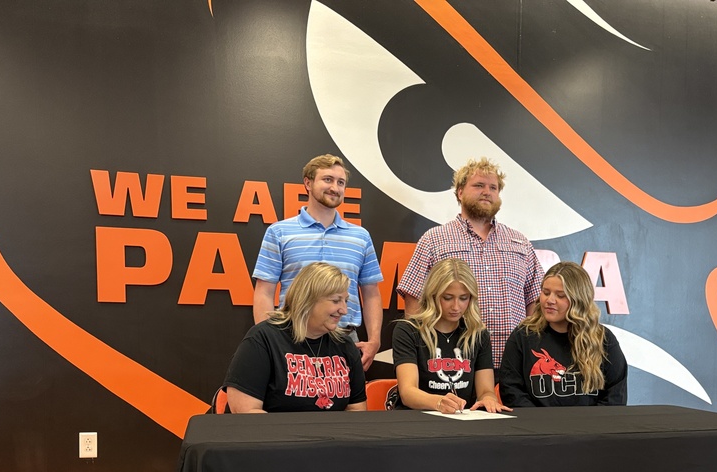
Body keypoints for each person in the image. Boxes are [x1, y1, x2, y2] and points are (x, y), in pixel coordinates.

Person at [396, 157, 542, 367]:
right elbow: (414, 299)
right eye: (479, 185)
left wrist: (531, 347)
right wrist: (422, 353)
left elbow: (534, 300)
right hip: (456, 362)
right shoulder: (435, 239)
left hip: (513, 361)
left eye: (493, 187)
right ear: (460, 192)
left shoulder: (519, 242)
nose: (487, 192)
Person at [252, 154, 383, 370]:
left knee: (348, 403)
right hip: (291, 337)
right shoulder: (279, 232)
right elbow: (264, 292)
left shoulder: (360, 237)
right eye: (328, 179)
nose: (335, 187)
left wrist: (374, 341)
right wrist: (268, 340)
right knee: (290, 403)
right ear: (308, 183)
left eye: (341, 182)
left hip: (345, 338)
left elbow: (371, 293)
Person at [226, 262, 367, 412]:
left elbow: (356, 412)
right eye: (336, 300)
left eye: (345, 301)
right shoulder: (263, 339)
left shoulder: (344, 345)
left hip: (331, 435)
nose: (344, 310)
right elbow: (245, 412)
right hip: (274, 435)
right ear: (308, 300)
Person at [499, 261, 628, 407]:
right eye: (546, 292)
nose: (550, 300)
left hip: (591, 428)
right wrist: (539, 424)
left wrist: (590, 427)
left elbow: (615, 395)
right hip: (536, 427)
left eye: (560, 295)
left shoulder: (603, 339)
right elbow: (511, 390)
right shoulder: (523, 335)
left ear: (579, 300)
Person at [392, 259, 509, 414]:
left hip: (463, 420)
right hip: (418, 419)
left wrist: (489, 399)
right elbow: (408, 392)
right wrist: (439, 402)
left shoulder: (478, 333)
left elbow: (486, 391)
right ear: (433, 295)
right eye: (447, 298)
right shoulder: (409, 330)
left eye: (463, 298)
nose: (456, 306)